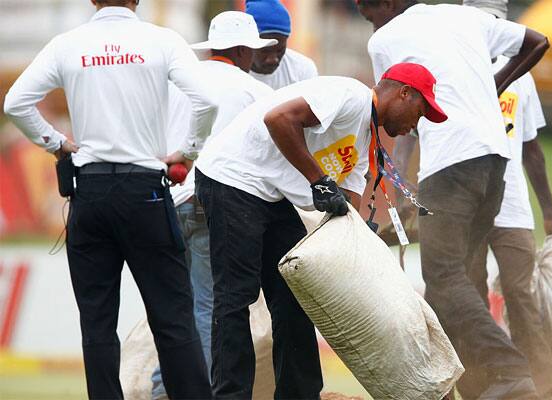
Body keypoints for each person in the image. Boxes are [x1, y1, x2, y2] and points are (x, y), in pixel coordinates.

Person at [3, 0, 217, 399]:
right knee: (172, 317)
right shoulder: (161, 40)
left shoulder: (68, 43)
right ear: (137, 0)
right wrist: (188, 151)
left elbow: (15, 104)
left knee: (98, 323)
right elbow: (208, 101)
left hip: (90, 192)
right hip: (147, 193)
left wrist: (58, 144)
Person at [194, 62, 447, 399]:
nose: (415, 125)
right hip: (232, 178)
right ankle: (231, 395)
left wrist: (359, 241)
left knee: (296, 297)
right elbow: (278, 119)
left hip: (270, 193)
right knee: (236, 296)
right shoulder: (350, 96)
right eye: (420, 111)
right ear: (404, 93)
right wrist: (319, 181)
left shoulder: (365, 138)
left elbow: (349, 206)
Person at [356, 0, 550, 397]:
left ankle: (510, 370)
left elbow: (393, 114)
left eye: (367, 9)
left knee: (442, 275)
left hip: (450, 164)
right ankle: (479, 388)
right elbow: (537, 41)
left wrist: (394, 189)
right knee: (462, 277)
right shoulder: (465, 16)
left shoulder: (384, 39)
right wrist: (498, 82)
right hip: (494, 162)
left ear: (388, 4)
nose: (367, 18)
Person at [149, 11, 276, 400]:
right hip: (213, 204)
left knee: (175, 309)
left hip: (165, 201)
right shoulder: (255, 92)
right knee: (208, 305)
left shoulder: (177, 83)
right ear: (240, 49)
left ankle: (161, 389)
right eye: (251, 51)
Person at [458, 1, 552, 398]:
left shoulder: (522, 74)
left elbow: (532, 147)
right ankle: (480, 383)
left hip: (513, 205)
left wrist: (549, 213)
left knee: (522, 297)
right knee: (471, 294)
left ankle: (540, 387)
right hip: (467, 202)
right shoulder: (455, 63)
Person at [245, 0, 318, 89]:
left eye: (280, 50)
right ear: (248, 42)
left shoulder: (302, 69)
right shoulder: (231, 73)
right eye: (265, 50)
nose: (273, 59)